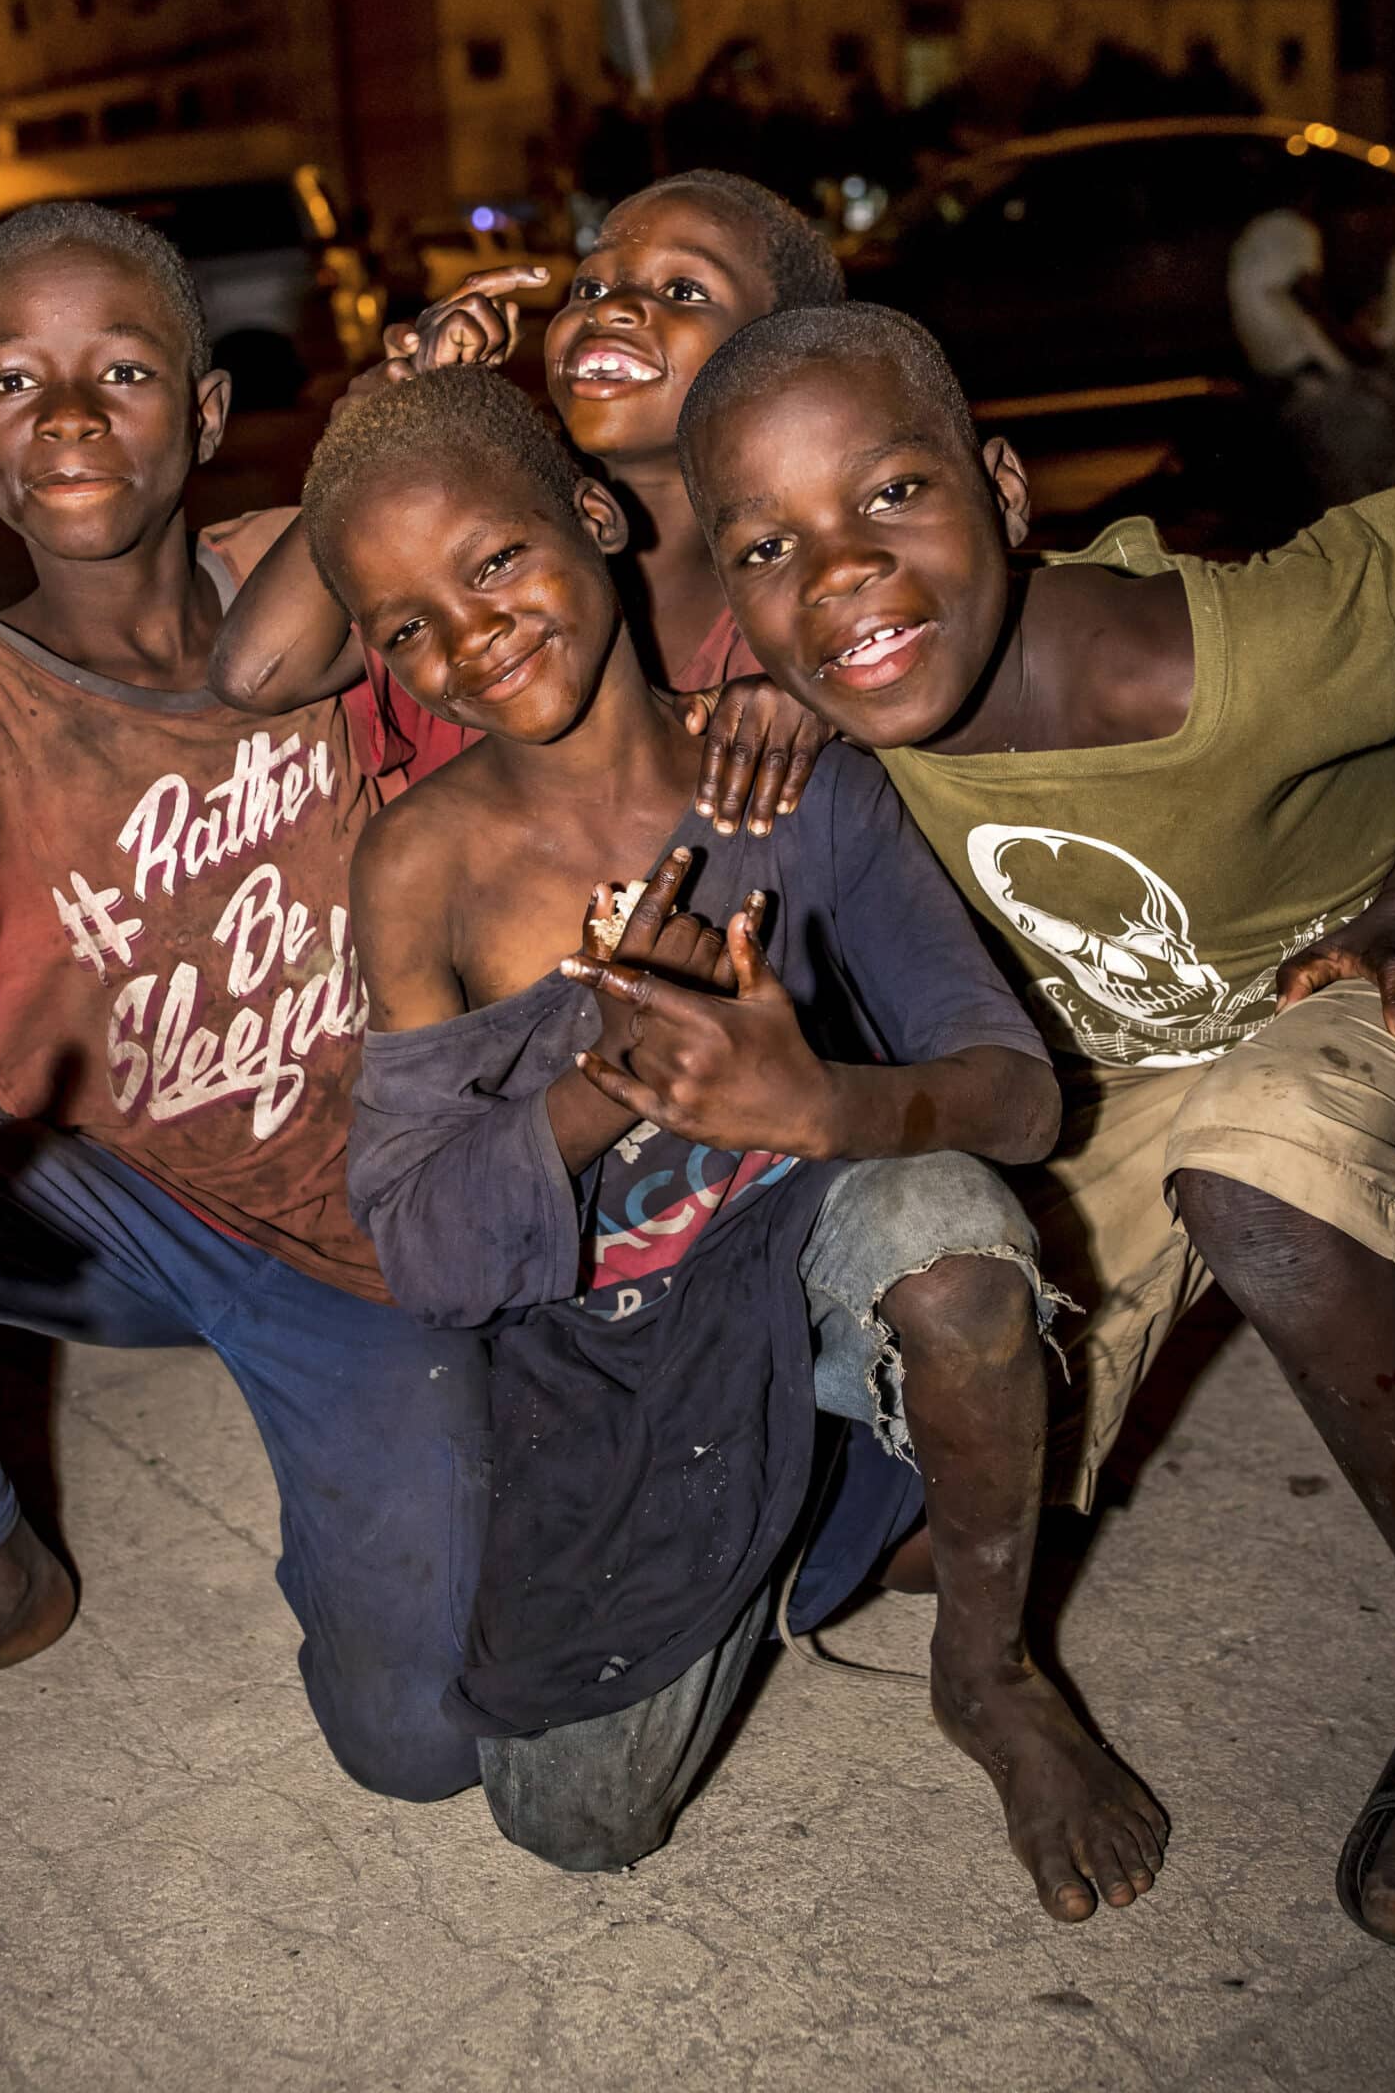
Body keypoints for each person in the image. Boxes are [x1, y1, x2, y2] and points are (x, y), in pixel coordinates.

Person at [297, 362, 1170, 1916]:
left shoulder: (790, 783)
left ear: (590, 515)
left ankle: (988, 1666)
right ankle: (822, 1515)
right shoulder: (416, 864)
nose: (468, 635)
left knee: (951, 1250)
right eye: (405, 625)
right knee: (570, 1823)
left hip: (811, 1255)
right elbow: (428, 1251)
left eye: (492, 560)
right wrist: (602, 1080)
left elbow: (1016, 1093)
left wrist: (813, 1105)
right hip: (613, 1351)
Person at [0, 202, 491, 1832]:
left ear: (204, 415)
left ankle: (362, 1478)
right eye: (14, 384)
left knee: (420, 1745)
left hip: (374, 1222)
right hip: (124, 1210)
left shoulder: (323, 573)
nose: (68, 415)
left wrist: (444, 412)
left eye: (122, 370)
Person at [674, 298, 1395, 1950]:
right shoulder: (839, 729)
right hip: (1140, 1084)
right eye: (770, 548)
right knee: (968, 1335)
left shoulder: (1205, 662)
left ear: (1003, 494)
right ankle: (986, 1678)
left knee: (1263, 1176)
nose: (840, 573)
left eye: (887, 497)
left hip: (1362, 1005)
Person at [211, 170, 846, 836]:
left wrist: (821, 705)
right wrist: (384, 422)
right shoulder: (463, 551)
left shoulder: (801, 611)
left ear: (788, 358)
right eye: (590, 287)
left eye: (682, 289)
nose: (612, 308)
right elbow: (259, 674)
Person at [1228, 184, 1395, 511]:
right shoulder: (1291, 231)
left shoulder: (1258, 233)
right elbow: (1307, 294)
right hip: (1309, 375)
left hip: (1281, 373)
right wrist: (1351, 346)